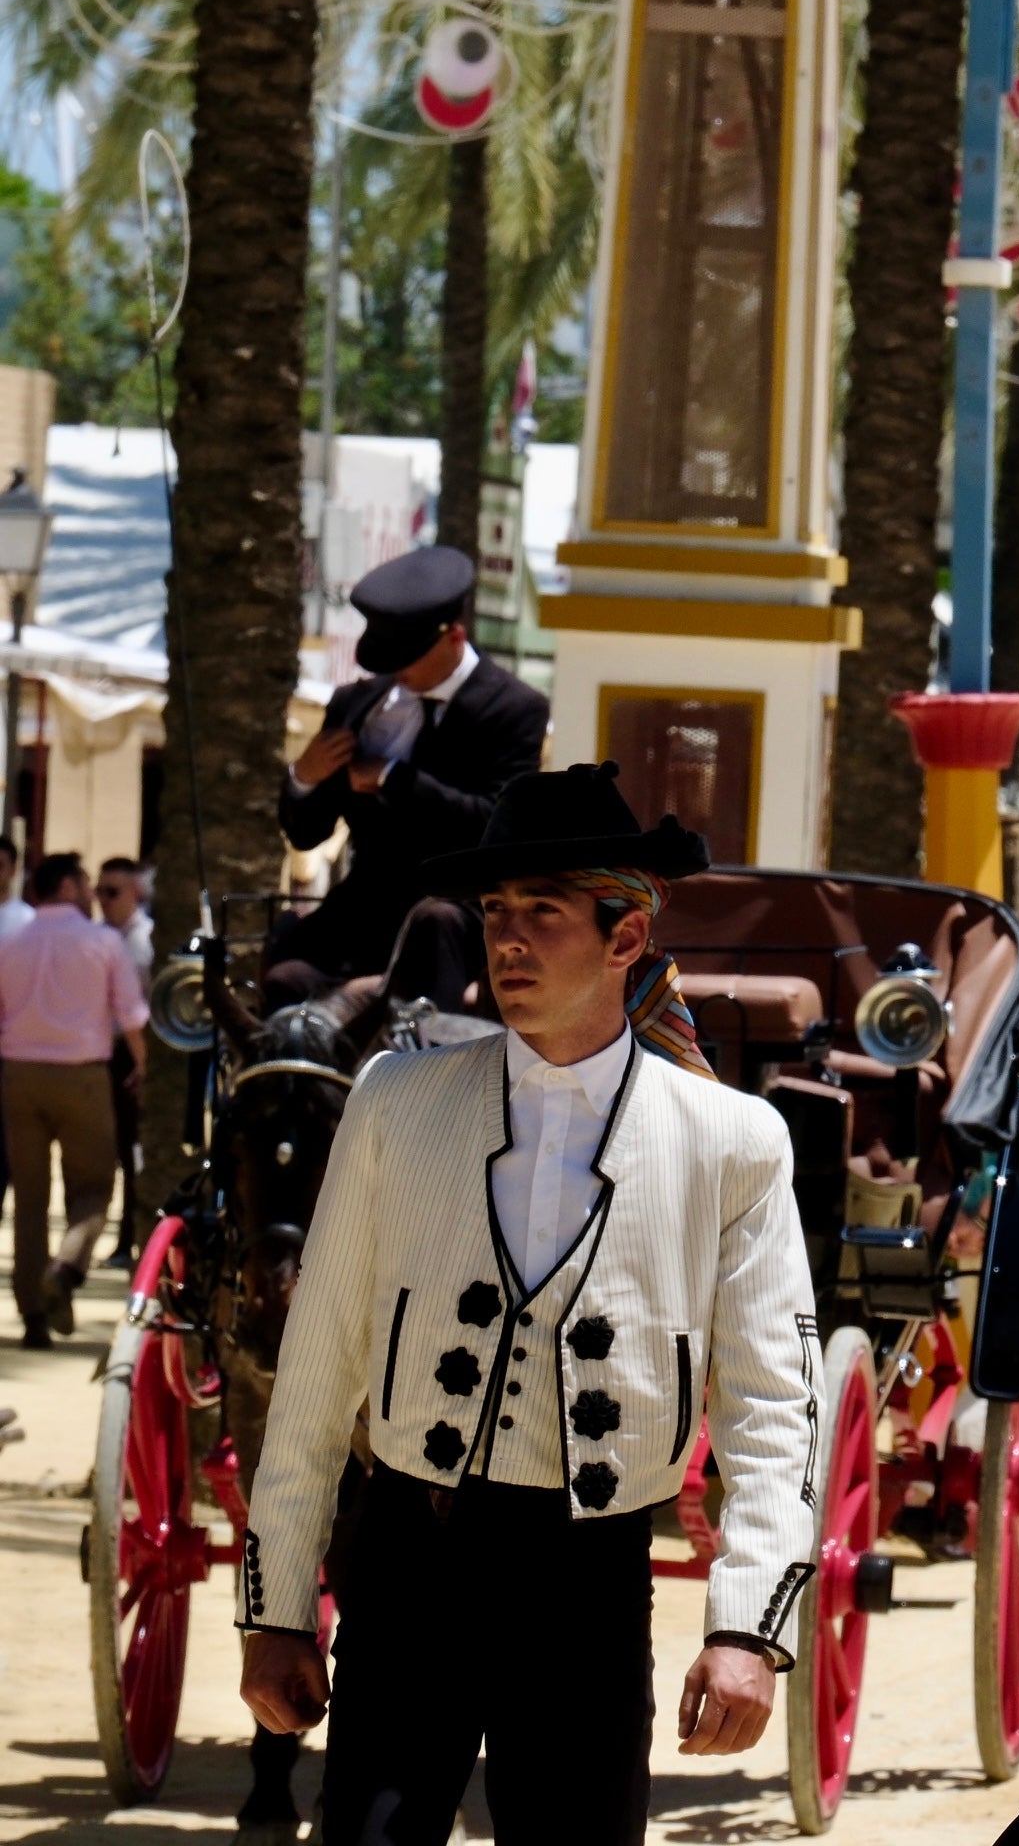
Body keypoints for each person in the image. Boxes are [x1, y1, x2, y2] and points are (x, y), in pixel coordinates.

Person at [236, 765, 815, 1843]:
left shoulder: (732, 1142)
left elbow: (775, 1410)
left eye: (543, 914)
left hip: (587, 1589)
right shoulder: (394, 1102)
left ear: (626, 938)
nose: (507, 941)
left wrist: (747, 1628)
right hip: (408, 1568)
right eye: (496, 912)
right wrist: (273, 1611)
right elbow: (315, 1378)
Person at [270, 545, 548, 1008]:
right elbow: (306, 833)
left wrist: (396, 779)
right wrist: (305, 777)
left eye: (408, 659)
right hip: (367, 904)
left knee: (432, 934)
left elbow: (494, 824)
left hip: (455, 908)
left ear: (453, 638)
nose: (397, 674)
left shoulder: (514, 709)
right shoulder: (357, 705)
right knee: (285, 980)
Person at [1, 853, 147, 1346]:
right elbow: (131, 1014)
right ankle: (66, 1265)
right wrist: (143, 1065)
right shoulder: (102, 941)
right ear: (67, 884)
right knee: (93, 1188)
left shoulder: (11, 941)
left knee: (29, 1200)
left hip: (19, 1075)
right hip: (83, 1077)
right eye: (86, 883)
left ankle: (34, 1317)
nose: (91, 893)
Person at [94, 856, 152, 1268]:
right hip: (100, 1054)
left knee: (134, 1150)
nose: (103, 901)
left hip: (132, 1056)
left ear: (136, 894)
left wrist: (143, 1063)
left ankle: (131, 1239)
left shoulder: (146, 941)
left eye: (111, 892)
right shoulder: (95, 938)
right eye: (99, 892)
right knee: (106, 1151)